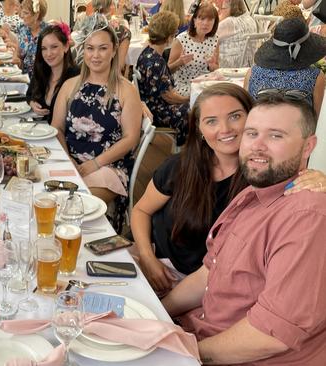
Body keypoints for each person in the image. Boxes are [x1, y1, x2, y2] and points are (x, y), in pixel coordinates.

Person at [162, 93, 326, 366]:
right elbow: (208, 273)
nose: (257, 146)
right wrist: (157, 312)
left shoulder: (307, 217)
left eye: (276, 136)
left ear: (308, 146)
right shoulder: (253, 193)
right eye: (252, 133)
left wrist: (182, 352)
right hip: (201, 333)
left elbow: (269, 336)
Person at [131, 83, 326, 295]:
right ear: (200, 129)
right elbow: (141, 210)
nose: (225, 129)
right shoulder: (179, 166)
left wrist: (319, 178)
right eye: (211, 121)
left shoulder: (265, 176)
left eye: (235, 116)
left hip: (211, 289)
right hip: (156, 268)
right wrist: (147, 257)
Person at [53, 13, 142, 229]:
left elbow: (131, 138)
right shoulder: (70, 86)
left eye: (103, 48)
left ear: (113, 51)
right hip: (71, 163)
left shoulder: (126, 90)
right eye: (90, 48)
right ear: (83, 50)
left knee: (74, 209)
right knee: (49, 202)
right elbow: (56, 128)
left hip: (109, 167)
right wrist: (68, 161)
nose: (96, 55)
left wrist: (94, 164)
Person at [245, 17, 326, 116]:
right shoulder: (316, 77)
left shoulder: (252, 73)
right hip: (298, 131)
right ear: (309, 47)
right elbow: (314, 121)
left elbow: (247, 114)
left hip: (260, 129)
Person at [136, 10, 190, 145]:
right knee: (195, 110)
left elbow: (160, 77)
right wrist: (188, 99)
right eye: (174, 33)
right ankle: (188, 150)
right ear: (168, 37)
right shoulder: (156, 61)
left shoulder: (148, 53)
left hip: (149, 104)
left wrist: (178, 63)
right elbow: (169, 97)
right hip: (157, 110)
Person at [27, 23, 80, 124]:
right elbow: (29, 94)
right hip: (39, 131)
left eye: (54, 47)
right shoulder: (43, 70)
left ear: (66, 47)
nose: (48, 54)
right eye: (44, 49)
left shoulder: (76, 77)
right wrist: (32, 103)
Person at [168, 2, 220, 97]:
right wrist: (179, 62)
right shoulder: (181, 40)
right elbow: (168, 70)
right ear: (194, 20)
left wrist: (212, 66)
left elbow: (216, 69)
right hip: (185, 85)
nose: (205, 23)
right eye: (202, 18)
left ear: (215, 22)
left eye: (210, 19)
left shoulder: (215, 39)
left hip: (206, 84)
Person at [216, 0, 257, 68]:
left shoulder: (229, 23)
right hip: (249, 65)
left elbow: (208, 37)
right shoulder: (250, 19)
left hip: (228, 67)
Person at [12, 0, 48, 76]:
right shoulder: (22, 29)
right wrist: (17, 61)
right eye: (22, 12)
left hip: (43, 79)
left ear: (36, 15)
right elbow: (18, 55)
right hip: (25, 78)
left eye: (25, 13)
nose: (21, 15)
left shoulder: (48, 32)